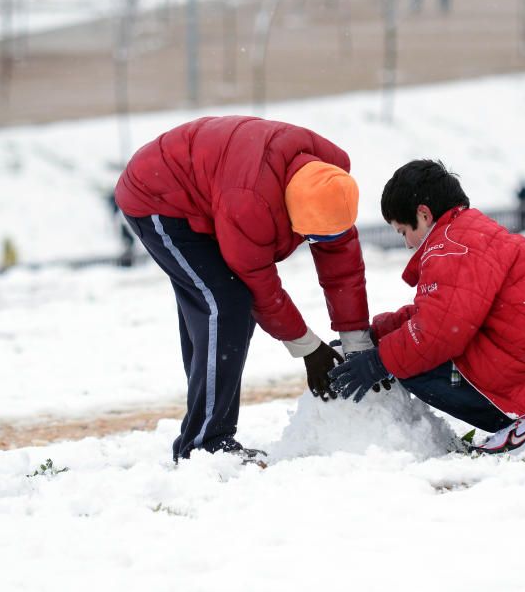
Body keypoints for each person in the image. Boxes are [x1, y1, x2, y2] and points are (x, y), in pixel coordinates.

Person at [115, 116, 372, 462]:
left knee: (218, 309)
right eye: (312, 236)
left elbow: (343, 264)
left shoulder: (329, 183)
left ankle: (206, 427)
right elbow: (260, 284)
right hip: (159, 196)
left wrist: (357, 344)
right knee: (224, 304)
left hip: (211, 190)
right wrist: (309, 349)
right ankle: (204, 444)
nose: (320, 243)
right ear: (290, 212)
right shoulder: (250, 203)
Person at [329, 160, 525, 455]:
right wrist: (377, 334)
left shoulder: (449, 246)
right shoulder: (474, 233)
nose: (407, 244)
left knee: (414, 366)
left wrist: (377, 362)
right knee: (416, 350)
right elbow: (444, 313)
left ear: (423, 214)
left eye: (402, 231)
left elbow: (436, 332)